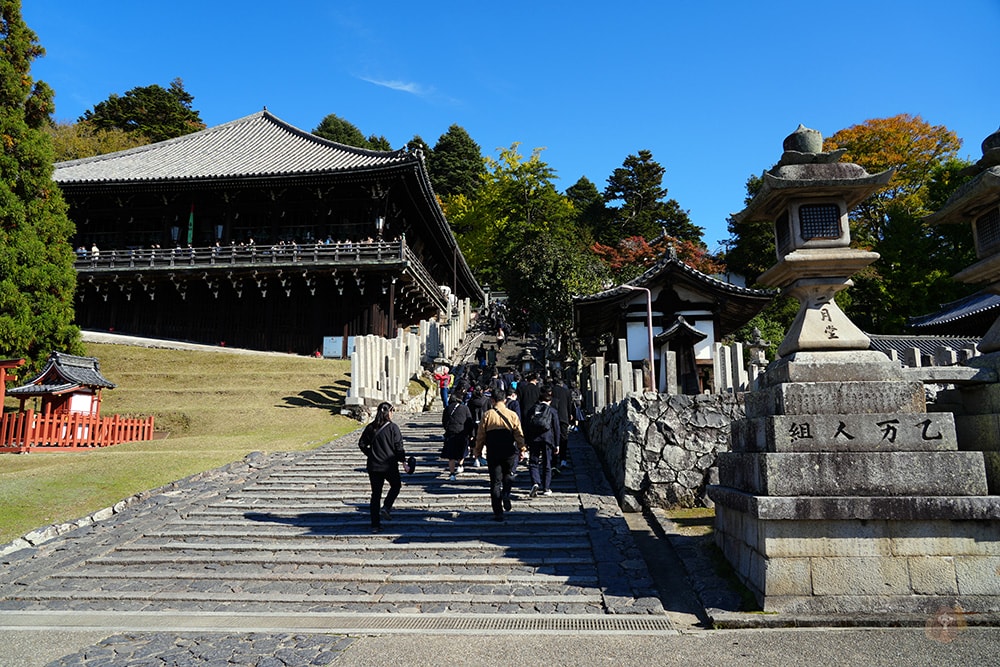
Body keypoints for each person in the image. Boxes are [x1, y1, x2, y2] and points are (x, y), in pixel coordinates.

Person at [474, 381, 525, 522]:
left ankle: (498, 512)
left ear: (492, 400)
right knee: (508, 474)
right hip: (509, 449)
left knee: (495, 482)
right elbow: (518, 433)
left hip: (493, 450)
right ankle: (507, 493)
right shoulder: (512, 414)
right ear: (505, 400)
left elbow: (481, 436)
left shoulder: (487, 415)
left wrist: (477, 451)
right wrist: (522, 448)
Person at [358, 402, 408, 533]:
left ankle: (375, 525)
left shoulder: (371, 427)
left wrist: (370, 454)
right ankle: (386, 506)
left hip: (374, 465)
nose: (393, 414)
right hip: (389, 464)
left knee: (376, 494)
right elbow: (399, 446)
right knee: (396, 485)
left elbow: (362, 444)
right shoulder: (393, 428)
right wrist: (403, 461)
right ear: (388, 412)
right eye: (392, 411)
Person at [525, 385, 560, 497]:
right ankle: (546, 487)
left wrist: (526, 441)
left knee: (533, 462)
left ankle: (535, 482)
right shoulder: (552, 411)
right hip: (547, 439)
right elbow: (556, 428)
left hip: (534, 439)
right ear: (549, 400)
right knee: (547, 463)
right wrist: (557, 444)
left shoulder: (532, 409)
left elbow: (527, 426)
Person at [441, 391, 473, 481]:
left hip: (450, 433)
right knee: (461, 451)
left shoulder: (447, 409)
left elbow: (444, 421)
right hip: (462, 433)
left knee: (451, 455)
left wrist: (447, 429)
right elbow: (469, 422)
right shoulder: (465, 408)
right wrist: (470, 433)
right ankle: (460, 465)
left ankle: (452, 474)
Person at [550, 370, 573, 469]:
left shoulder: (550, 391)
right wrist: (570, 415)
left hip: (552, 416)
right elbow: (569, 405)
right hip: (564, 416)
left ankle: (554, 461)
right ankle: (563, 460)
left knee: (553, 438)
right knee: (564, 438)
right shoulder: (566, 391)